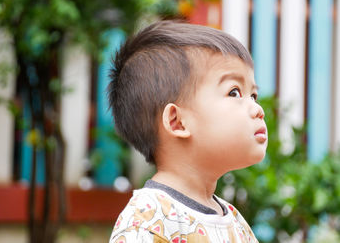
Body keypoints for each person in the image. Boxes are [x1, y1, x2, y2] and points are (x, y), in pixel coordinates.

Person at [108, 20, 268, 243]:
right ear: (177, 122)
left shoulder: (235, 222)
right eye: (234, 93)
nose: (258, 109)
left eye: (253, 96)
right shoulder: (148, 220)